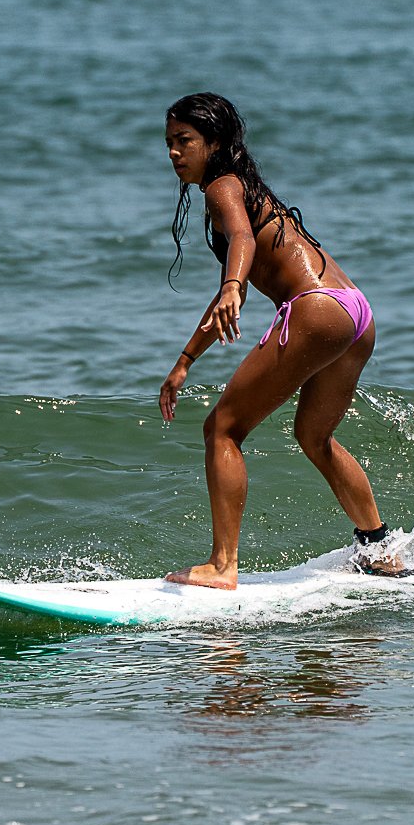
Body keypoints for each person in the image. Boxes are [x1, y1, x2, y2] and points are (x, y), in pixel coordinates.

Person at [158, 92, 400, 589]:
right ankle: (379, 548)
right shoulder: (246, 187)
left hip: (314, 308)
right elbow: (234, 276)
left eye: (185, 141)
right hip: (353, 310)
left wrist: (233, 285)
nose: (174, 153)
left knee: (222, 429)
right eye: (169, 143)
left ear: (216, 143)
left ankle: (222, 565)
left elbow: (242, 243)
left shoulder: (222, 186)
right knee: (315, 437)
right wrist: (185, 361)